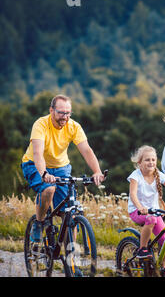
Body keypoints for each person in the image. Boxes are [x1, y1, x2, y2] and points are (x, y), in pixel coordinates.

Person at [21, 95, 105, 243]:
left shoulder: (74, 126)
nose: (64, 117)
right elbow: (37, 153)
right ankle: (39, 224)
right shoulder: (40, 124)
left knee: (69, 214)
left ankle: (70, 260)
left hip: (61, 167)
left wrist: (97, 171)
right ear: (51, 110)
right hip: (34, 164)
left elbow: (86, 150)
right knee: (48, 189)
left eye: (68, 113)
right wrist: (44, 173)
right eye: (61, 112)